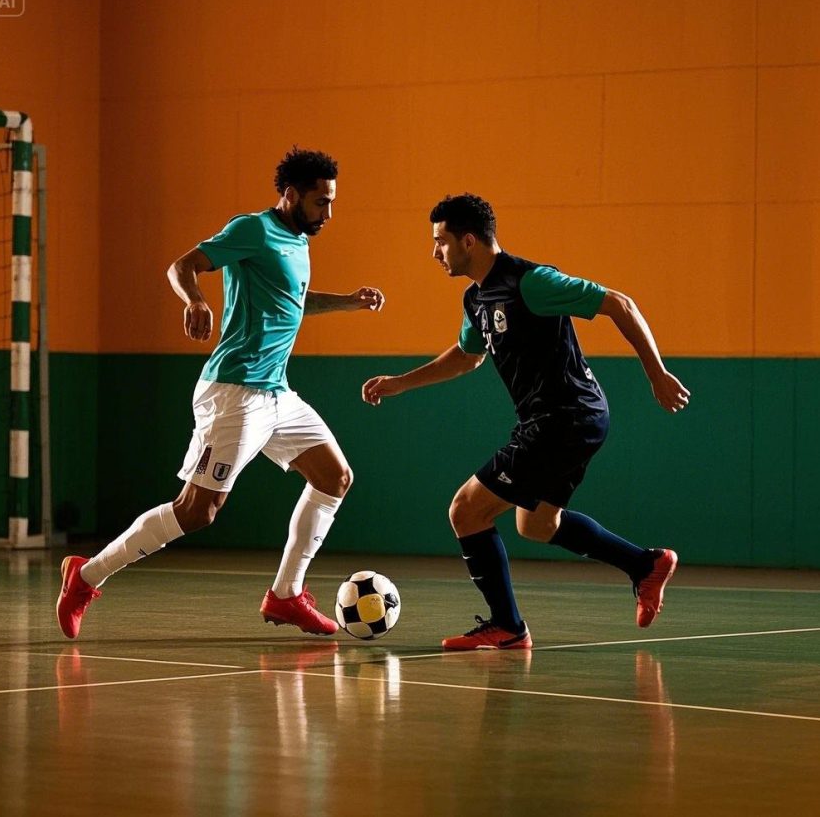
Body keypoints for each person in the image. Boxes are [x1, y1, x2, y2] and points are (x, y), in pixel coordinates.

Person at [57, 146, 384, 640]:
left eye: (332, 202)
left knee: (335, 476)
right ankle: (84, 577)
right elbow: (181, 266)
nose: (328, 213)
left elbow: (293, 301)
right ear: (291, 195)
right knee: (197, 511)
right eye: (321, 202)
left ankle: (286, 595)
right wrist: (195, 300)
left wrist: (348, 302)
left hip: (277, 393)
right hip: (233, 392)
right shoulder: (251, 229)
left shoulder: (299, 243)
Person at [362, 193, 689, 651]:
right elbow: (466, 358)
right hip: (567, 420)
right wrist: (400, 382)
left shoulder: (531, 282)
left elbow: (620, 303)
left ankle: (508, 626)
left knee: (465, 510)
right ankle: (645, 565)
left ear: (469, 241)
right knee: (536, 525)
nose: (435, 252)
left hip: (564, 417)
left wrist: (657, 374)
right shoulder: (475, 297)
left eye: (440, 242)